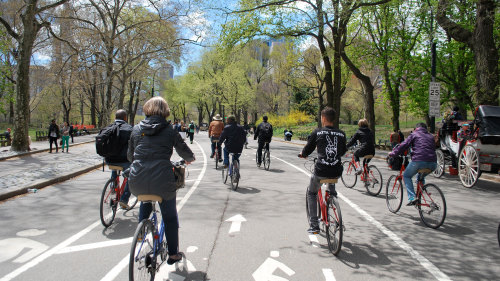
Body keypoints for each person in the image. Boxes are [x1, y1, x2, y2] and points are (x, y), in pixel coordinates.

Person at [128, 96, 195, 265]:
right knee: (170, 217)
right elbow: (183, 151)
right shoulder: (169, 129)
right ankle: (173, 254)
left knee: (145, 198)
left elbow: (130, 155)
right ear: (165, 111)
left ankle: (141, 230)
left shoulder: (136, 129)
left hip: (137, 180)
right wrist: (190, 158)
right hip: (163, 180)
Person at [298, 107, 347, 234]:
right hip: (336, 170)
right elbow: (342, 151)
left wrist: (303, 154)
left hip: (321, 170)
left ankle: (314, 225)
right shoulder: (342, 134)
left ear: (324, 118)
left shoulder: (318, 132)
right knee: (331, 183)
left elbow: (308, 149)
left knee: (312, 192)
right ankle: (333, 198)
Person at [389, 123, 437, 205]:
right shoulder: (430, 136)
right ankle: (420, 191)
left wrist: (393, 153)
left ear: (416, 128)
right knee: (420, 177)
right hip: (433, 163)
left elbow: (404, 145)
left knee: (406, 176)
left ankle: (412, 197)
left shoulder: (414, 134)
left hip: (419, 161)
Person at [105, 109, 134, 209]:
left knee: (114, 167)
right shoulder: (130, 129)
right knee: (131, 175)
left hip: (109, 160)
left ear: (115, 117)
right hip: (124, 160)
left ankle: (113, 185)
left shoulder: (108, 128)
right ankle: (124, 199)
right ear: (125, 118)